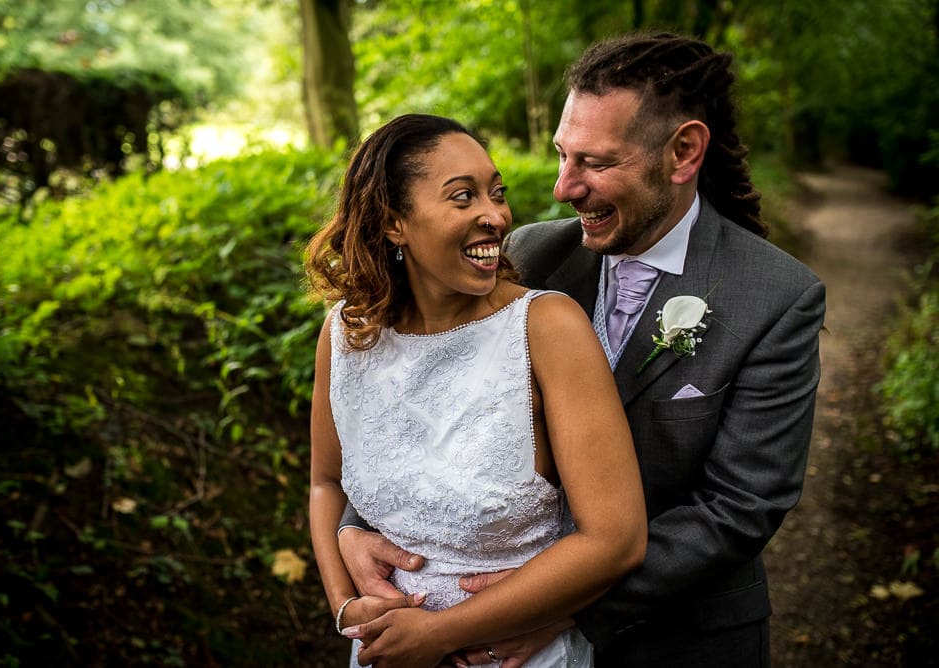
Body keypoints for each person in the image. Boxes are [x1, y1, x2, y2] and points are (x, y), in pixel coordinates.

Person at [338, 33, 826, 667]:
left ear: (683, 152)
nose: (565, 187)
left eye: (595, 162)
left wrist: (558, 603)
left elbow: (739, 506)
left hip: (677, 639)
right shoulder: (528, 259)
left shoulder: (776, 297)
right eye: (562, 156)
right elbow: (421, 392)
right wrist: (356, 525)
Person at [305, 113, 647, 667]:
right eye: (463, 198)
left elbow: (615, 539)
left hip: (518, 655)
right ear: (395, 223)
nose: (495, 216)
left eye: (497, 193)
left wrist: (440, 634)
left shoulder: (547, 327)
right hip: (386, 653)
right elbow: (325, 483)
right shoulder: (346, 334)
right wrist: (346, 607)